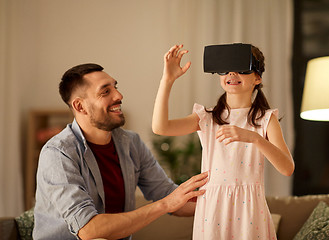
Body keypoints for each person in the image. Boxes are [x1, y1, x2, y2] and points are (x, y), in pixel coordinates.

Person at [33, 63, 208, 240]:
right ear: (80, 106)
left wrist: (226, 204)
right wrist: (164, 205)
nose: (119, 95)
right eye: (105, 92)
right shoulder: (57, 154)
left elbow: (170, 195)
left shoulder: (132, 143)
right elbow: (88, 229)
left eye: (115, 87)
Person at [152, 44, 295, 239]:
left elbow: (287, 168)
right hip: (212, 208)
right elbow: (160, 127)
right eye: (225, 69)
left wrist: (253, 138)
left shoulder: (266, 119)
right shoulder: (206, 118)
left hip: (250, 210)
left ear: (257, 77)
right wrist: (167, 80)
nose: (232, 73)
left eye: (242, 69)